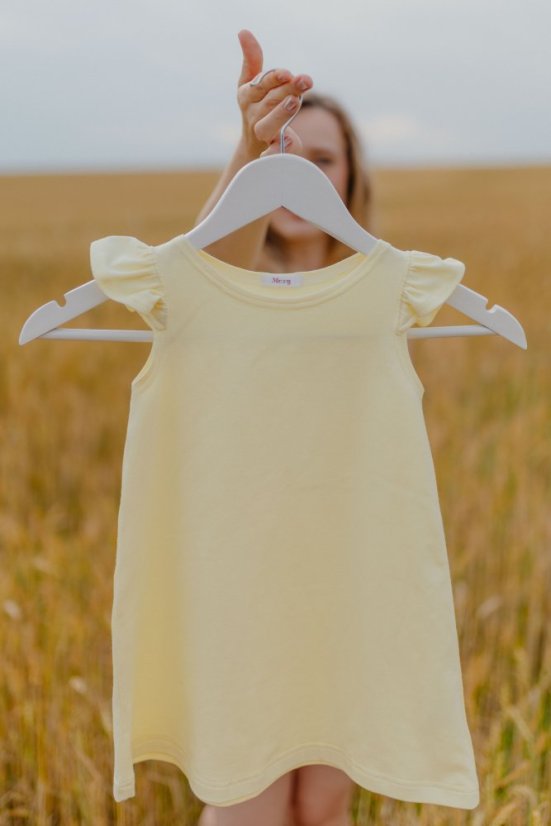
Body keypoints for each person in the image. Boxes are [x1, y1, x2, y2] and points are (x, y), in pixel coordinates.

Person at [195, 28, 376, 826]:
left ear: (351, 178)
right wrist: (249, 147)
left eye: (323, 161)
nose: (301, 179)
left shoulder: (379, 293)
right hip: (243, 575)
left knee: (323, 800)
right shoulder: (231, 284)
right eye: (285, 161)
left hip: (349, 572)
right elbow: (207, 269)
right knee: (251, 800)